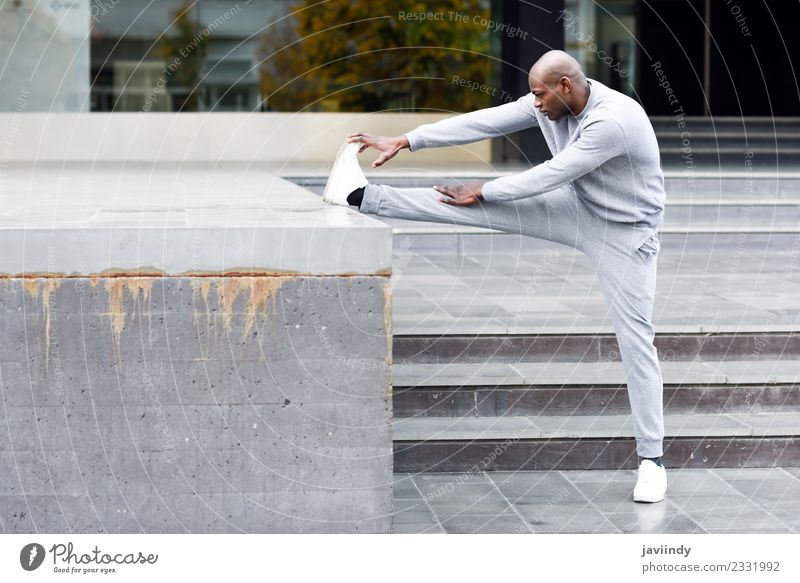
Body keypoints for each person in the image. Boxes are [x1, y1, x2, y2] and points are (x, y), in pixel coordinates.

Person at [322, 50, 668, 503]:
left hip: (626, 234)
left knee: (635, 337)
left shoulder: (614, 121)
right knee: (463, 202)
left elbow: (553, 172)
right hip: (578, 208)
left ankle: (652, 462)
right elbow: (485, 122)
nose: (535, 103)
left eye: (540, 94)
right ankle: (359, 196)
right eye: (533, 95)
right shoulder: (550, 100)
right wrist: (406, 140)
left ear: (565, 86)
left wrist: (484, 188)